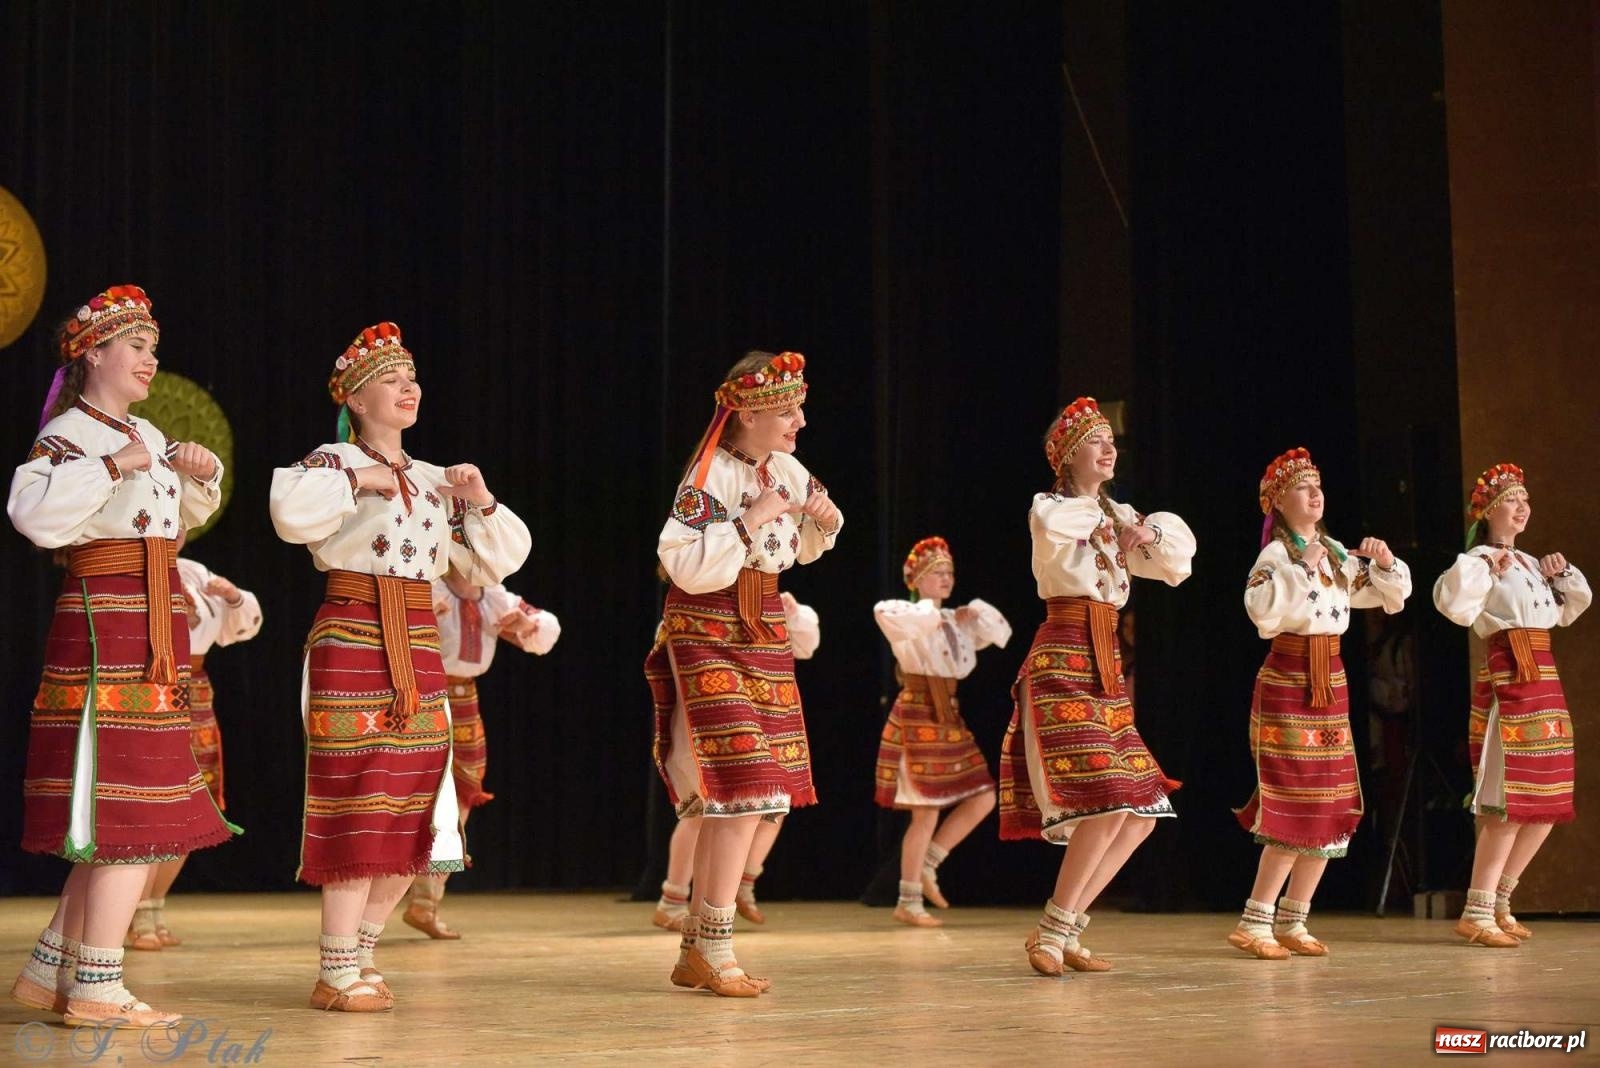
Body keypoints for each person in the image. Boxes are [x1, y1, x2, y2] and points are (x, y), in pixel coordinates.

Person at [270, 321, 530, 1011]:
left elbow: (496, 561)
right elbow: (290, 517)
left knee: (419, 805)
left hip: (417, 641)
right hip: (354, 635)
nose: (408, 386)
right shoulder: (330, 464)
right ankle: (333, 967)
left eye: (412, 375)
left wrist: (478, 499)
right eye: (391, 377)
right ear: (354, 398)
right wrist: (360, 473)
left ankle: (361, 951)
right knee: (360, 795)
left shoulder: (434, 479)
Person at [8, 285, 236, 1028]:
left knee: (119, 802)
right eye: (136, 346)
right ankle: (98, 987)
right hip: (110, 625)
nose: (150, 358)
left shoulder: (139, 433)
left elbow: (171, 521)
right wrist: (119, 463)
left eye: (153, 347)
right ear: (94, 353)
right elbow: (34, 514)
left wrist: (197, 473)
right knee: (129, 809)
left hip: (152, 622)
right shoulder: (70, 436)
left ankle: (51, 970)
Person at [644, 350, 841, 997]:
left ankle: (699, 948)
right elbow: (687, 567)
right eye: (787, 411)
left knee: (757, 795)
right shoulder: (707, 479)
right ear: (748, 414)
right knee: (739, 787)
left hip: (762, 633)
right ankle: (714, 947)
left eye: (799, 408)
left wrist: (820, 523)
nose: (800, 421)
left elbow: (800, 542)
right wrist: (753, 517)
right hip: (708, 629)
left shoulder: (784, 467)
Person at [999, 397, 1194, 976]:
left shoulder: (1121, 512)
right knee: (1110, 799)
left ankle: (1069, 927)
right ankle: (1052, 930)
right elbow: (1061, 525)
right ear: (1066, 455)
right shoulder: (1054, 506)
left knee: (1141, 809)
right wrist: (1120, 525)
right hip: (1062, 659)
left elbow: (1175, 566)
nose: (1110, 448)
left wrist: (1139, 533)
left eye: (1112, 440)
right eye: (1095, 440)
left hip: (1105, 665)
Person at [1229, 447, 1411, 959]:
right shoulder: (1276, 557)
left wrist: (1384, 561)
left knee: (1331, 801)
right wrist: (1300, 569)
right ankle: (1256, 919)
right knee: (1294, 800)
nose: (1316, 494)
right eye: (1303, 488)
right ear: (1280, 502)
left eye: (1318, 486)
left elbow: (1386, 596)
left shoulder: (1333, 551)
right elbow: (1261, 611)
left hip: (1330, 681)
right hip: (1289, 681)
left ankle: (1294, 918)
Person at [1434, 463, 1589, 947]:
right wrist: (1483, 568)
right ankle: (1477, 908)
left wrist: (1560, 574)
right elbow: (1453, 603)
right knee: (1508, 802)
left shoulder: (1530, 562)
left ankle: (1500, 898)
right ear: (1487, 510)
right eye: (1512, 500)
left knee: (1547, 801)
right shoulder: (1479, 558)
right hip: (1511, 680)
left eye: (1526, 499)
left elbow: (1568, 610)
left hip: (1544, 679)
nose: (1523, 507)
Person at [403, 569, 560, 938]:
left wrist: (524, 624)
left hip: (464, 700)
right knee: (412, 797)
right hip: (422, 697)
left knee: (461, 797)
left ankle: (426, 901)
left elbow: (544, 631)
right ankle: (377, 904)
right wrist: (421, 615)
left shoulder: (494, 596)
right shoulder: (429, 589)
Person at [127, 529, 263, 951]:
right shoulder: (133, 572)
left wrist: (234, 596)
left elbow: (236, 629)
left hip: (196, 689)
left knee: (191, 805)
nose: (175, 531)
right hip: (150, 686)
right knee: (151, 803)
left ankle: (152, 908)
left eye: (180, 524)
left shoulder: (192, 571)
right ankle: (131, 915)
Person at [650, 593, 819, 932]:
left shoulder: (761, 601)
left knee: (770, 805)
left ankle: (741, 885)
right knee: (704, 813)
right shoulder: (692, 605)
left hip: (762, 711)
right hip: (708, 722)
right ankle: (675, 901)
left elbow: (805, 645)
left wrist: (791, 611)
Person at [873, 536, 1010, 926]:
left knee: (983, 796)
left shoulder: (953, 620)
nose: (947, 579)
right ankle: (909, 899)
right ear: (917, 579)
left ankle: (929, 864)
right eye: (938, 573)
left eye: (950, 572)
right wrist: (939, 613)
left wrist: (966, 618)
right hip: (917, 712)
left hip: (947, 716)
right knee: (926, 811)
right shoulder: (901, 611)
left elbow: (1000, 633)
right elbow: (909, 621)